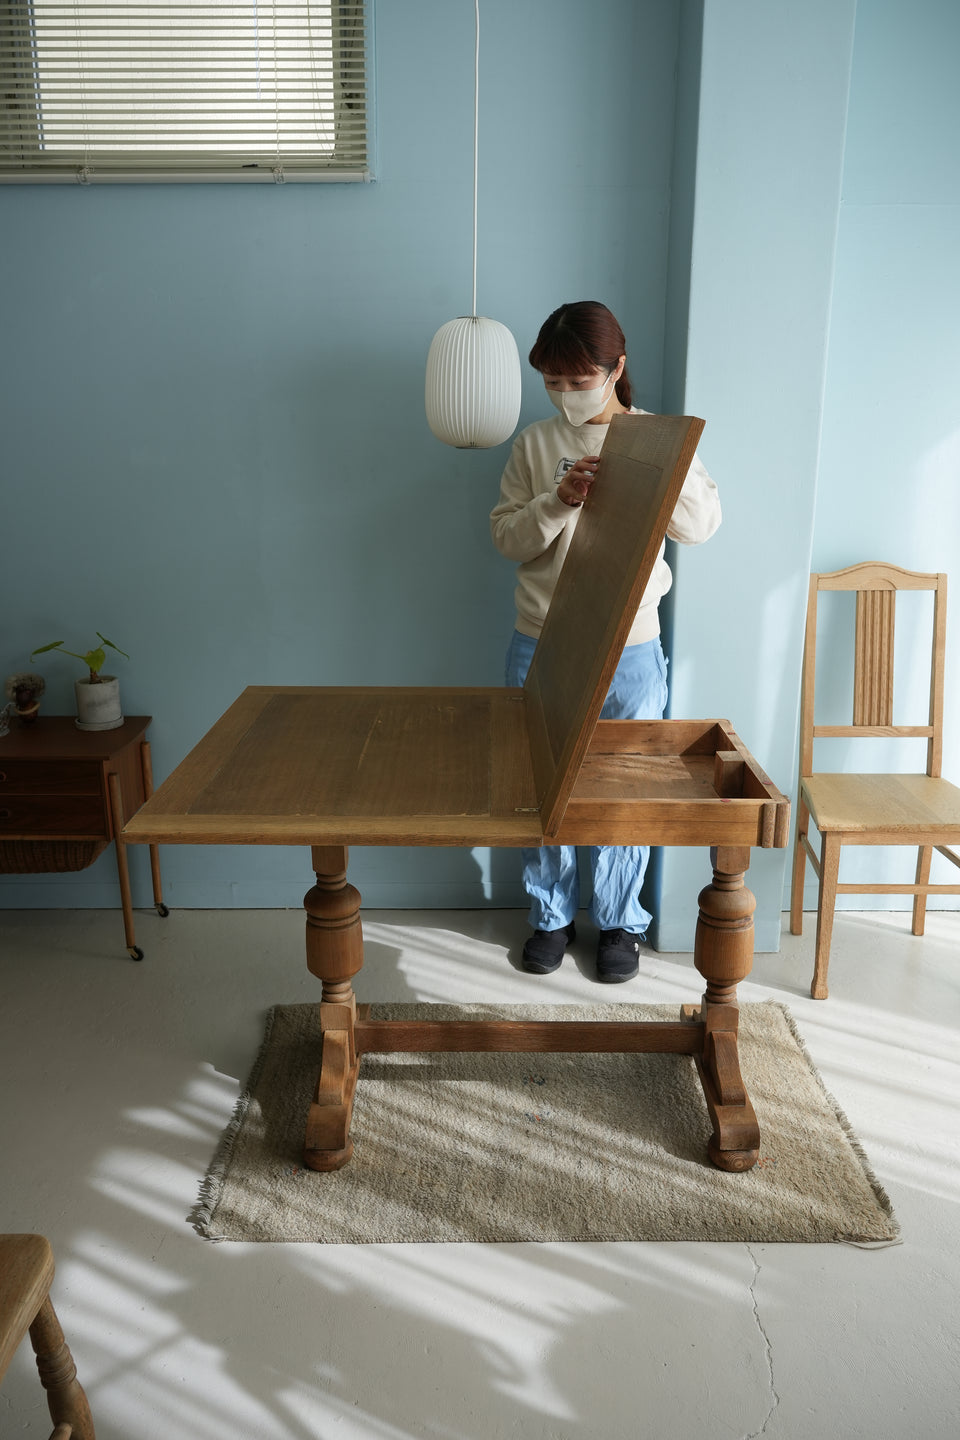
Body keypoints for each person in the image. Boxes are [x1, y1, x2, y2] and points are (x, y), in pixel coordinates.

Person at [490, 300, 720, 982]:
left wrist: (648, 473)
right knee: (542, 786)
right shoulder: (533, 445)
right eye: (553, 382)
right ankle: (551, 917)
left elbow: (700, 526)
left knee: (625, 788)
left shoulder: (659, 438)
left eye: (578, 379)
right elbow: (506, 538)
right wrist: (558, 500)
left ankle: (620, 922)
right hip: (541, 640)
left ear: (616, 368)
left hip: (632, 647)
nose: (566, 394)